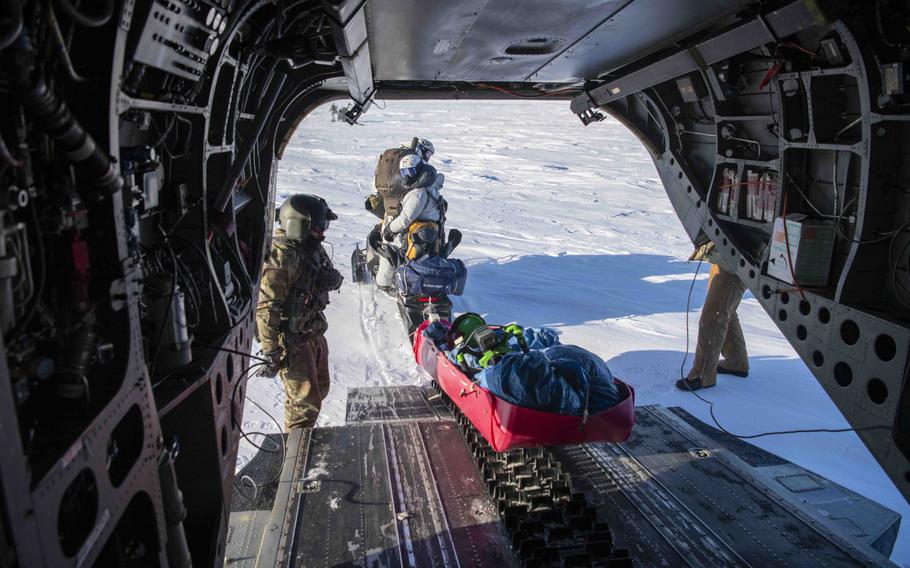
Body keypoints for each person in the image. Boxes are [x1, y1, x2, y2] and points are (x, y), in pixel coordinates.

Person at [256, 194, 344, 429]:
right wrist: (270, 351)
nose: (322, 233)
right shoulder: (281, 257)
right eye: (317, 228)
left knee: (320, 390)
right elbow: (267, 308)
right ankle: (296, 457)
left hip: (313, 333)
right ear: (298, 226)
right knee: (304, 405)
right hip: (293, 342)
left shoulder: (309, 247)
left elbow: (329, 273)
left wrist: (332, 279)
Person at [677, 242, 749, 391]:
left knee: (715, 315)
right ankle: (736, 360)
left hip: (737, 255)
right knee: (725, 307)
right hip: (726, 252)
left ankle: (702, 375)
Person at [374, 151, 446, 289]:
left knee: (389, 245)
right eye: (404, 172)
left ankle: (384, 282)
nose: (408, 175)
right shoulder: (427, 183)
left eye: (411, 171)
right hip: (427, 228)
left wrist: (389, 230)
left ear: (418, 169)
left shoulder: (419, 192)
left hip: (419, 228)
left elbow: (406, 218)